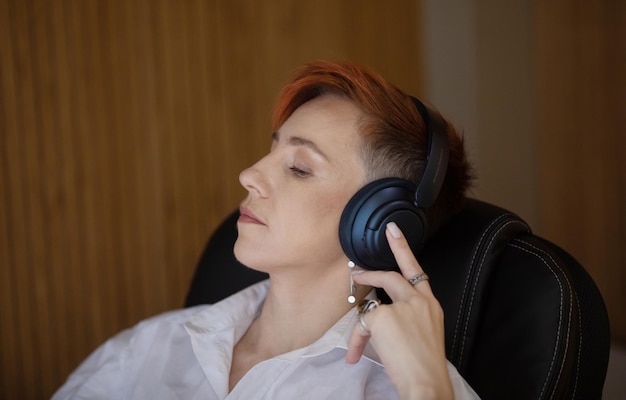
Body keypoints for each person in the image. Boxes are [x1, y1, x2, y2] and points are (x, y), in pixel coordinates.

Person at [53, 61, 477, 399]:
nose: (248, 174)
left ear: (379, 219)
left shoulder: (411, 388)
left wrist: (426, 390)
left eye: (299, 168)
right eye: (272, 151)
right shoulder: (150, 348)